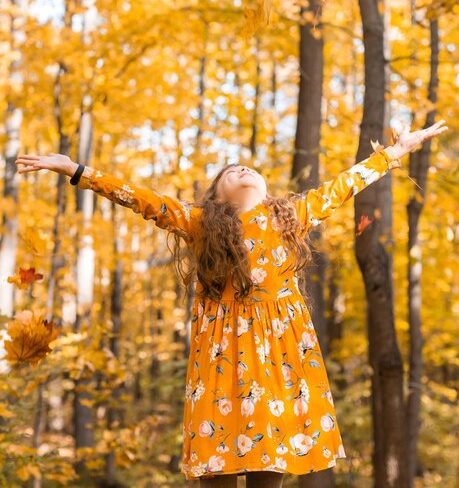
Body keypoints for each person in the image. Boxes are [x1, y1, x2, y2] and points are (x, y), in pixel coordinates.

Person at [15, 119, 447, 487]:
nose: (242, 168)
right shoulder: (201, 223)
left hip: (277, 361)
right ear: (216, 197)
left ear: (264, 187)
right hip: (220, 360)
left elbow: (345, 185)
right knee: (215, 465)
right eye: (230, 171)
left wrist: (395, 152)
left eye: (249, 167)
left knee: (268, 464)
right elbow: (140, 198)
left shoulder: (288, 217)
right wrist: (75, 169)